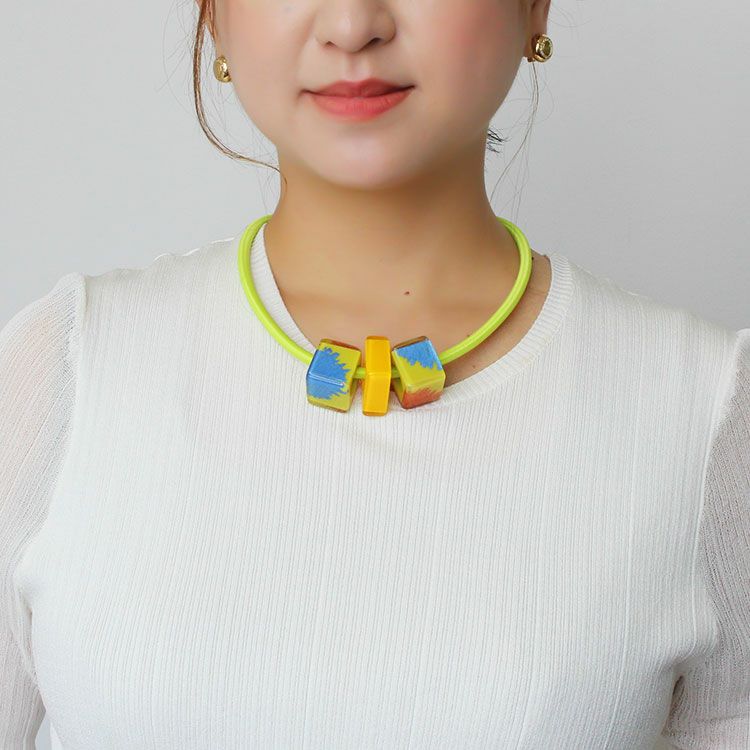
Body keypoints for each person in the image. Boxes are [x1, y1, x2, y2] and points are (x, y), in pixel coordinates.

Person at [1, 0, 748, 747]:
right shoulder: (65, 363)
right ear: (214, 18)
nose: (353, 26)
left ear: (534, 10)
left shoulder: (705, 409)